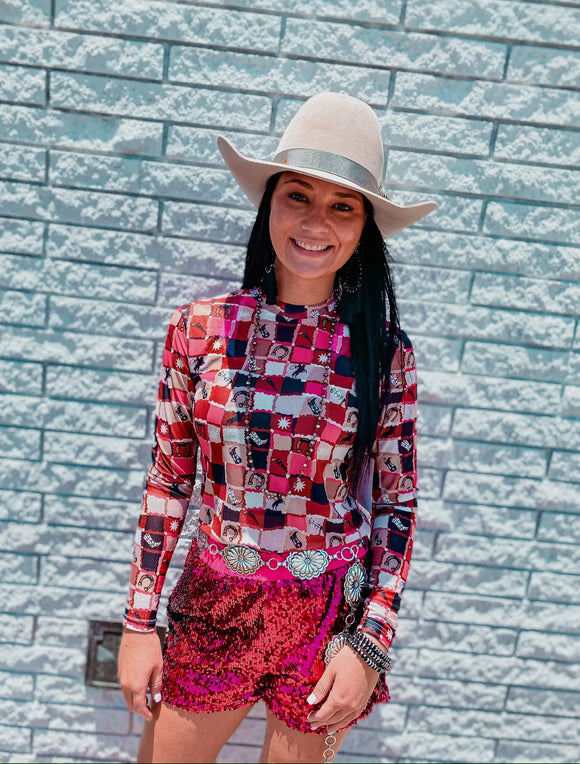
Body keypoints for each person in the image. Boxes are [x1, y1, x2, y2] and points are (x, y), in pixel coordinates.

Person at [118, 91, 436, 764]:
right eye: (299, 195)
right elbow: (169, 480)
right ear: (270, 206)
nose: (316, 221)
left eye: (342, 205)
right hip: (215, 599)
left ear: (363, 227)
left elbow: (397, 504)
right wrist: (139, 622)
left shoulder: (383, 350)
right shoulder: (199, 329)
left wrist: (371, 642)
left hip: (328, 611)